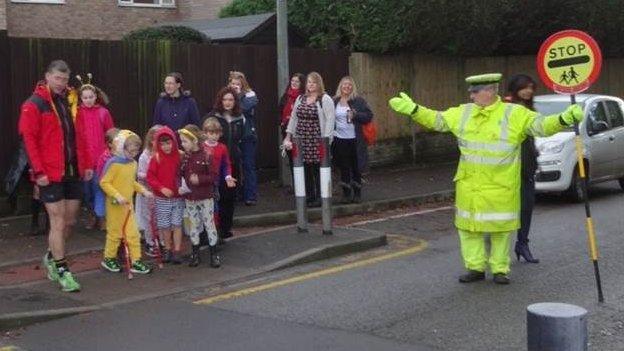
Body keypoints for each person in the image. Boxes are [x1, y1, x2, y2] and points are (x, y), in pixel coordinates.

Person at [389, 73, 583, 284]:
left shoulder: (514, 113)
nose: (471, 96)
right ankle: (475, 268)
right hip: (470, 187)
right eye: (471, 92)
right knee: (469, 229)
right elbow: (438, 120)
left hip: (500, 187)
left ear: (490, 91)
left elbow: (541, 126)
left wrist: (564, 118)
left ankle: (500, 269)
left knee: (500, 231)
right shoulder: (463, 113)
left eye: (475, 92)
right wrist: (414, 110)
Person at [18, 60, 93, 292]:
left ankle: (51, 256)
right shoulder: (34, 104)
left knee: (69, 221)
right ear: (47, 77)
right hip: (49, 173)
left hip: (73, 170)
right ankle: (62, 270)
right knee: (57, 221)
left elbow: (80, 135)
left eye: (64, 79)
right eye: (57, 78)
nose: (61, 83)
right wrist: (38, 172)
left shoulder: (72, 101)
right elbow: (28, 140)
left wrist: (87, 163)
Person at [99, 130, 153, 274]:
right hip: (115, 205)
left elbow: (132, 182)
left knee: (133, 234)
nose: (133, 154)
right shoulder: (113, 164)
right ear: (121, 148)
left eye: (136, 151)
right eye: (130, 151)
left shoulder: (133, 163)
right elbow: (104, 183)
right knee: (114, 233)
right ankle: (108, 258)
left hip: (128, 205)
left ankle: (136, 260)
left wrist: (143, 190)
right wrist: (117, 195)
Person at [282, 72, 335, 207]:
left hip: (317, 139)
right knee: (304, 168)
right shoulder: (301, 98)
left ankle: (320, 196)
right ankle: (310, 195)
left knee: (318, 169)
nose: (311, 85)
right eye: (309, 82)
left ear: (319, 84)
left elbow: (330, 120)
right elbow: (294, 118)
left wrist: (326, 140)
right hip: (301, 139)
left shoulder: (325, 99)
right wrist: (288, 136)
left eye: (314, 82)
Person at [505, 74, 540, 264]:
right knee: (503, 212)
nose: (528, 91)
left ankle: (522, 244)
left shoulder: (529, 109)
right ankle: (493, 252)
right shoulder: (506, 108)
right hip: (508, 169)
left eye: (531, 87)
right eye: (524, 87)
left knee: (526, 208)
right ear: (515, 88)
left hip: (527, 168)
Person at [74, 74, 115, 230]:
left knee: (100, 188)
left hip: (102, 159)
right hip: (85, 161)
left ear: (96, 96)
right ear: (81, 98)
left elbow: (111, 134)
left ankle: (101, 216)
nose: (88, 100)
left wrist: (109, 154)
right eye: (85, 97)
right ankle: (92, 213)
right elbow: (78, 139)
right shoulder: (77, 114)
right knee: (87, 191)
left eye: (91, 97)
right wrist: (84, 164)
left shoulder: (103, 113)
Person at [178, 124, 221, 268]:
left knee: (209, 224)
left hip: (205, 196)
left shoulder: (207, 155)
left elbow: (214, 176)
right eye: (182, 141)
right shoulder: (185, 157)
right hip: (190, 197)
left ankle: (214, 253)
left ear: (194, 140)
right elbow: (181, 174)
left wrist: (200, 179)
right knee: (193, 225)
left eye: (185, 141)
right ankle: (195, 253)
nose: (182, 144)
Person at [204, 87, 244, 241]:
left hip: (232, 162)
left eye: (231, 100)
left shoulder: (240, 118)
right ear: (221, 101)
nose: (228, 103)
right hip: (215, 165)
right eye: (225, 99)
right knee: (215, 198)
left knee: (229, 197)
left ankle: (226, 229)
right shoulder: (212, 117)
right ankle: (214, 229)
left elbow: (242, 139)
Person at [332, 76, 373, 203]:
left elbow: (369, 116)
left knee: (356, 167)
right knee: (343, 166)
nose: (347, 87)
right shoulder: (335, 101)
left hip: (355, 139)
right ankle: (346, 193)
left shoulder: (358, 101)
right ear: (340, 86)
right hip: (339, 138)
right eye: (345, 84)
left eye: (349, 85)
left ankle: (357, 193)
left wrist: (356, 114)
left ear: (352, 87)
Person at [147, 127, 184, 264]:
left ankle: (177, 250)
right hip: (162, 198)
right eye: (162, 144)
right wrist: (161, 188)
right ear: (157, 145)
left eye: (168, 143)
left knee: (177, 224)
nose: (166, 147)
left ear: (173, 142)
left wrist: (183, 187)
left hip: (177, 197)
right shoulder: (155, 158)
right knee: (165, 225)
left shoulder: (180, 155)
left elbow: (185, 172)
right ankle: (168, 249)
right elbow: (150, 177)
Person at [202, 117, 237, 244]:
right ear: (205, 133)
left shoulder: (222, 148)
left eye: (216, 133)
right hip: (203, 184)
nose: (213, 136)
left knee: (215, 208)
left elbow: (226, 164)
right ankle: (203, 234)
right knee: (204, 209)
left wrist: (227, 176)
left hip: (215, 184)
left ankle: (214, 234)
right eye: (211, 133)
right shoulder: (201, 147)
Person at [228, 71, 259, 206]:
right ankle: (236, 194)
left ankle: (250, 195)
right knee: (233, 166)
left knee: (248, 165)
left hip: (247, 136)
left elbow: (244, 108)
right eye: (233, 83)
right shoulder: (227, 95)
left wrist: (237, 95)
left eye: (238, 84)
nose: (235, 86)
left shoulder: (250, 94)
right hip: (232, 136)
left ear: (242, 84)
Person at [136, 125, 161, 257]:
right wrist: (150, 176)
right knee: (148, 217)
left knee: (158, 216)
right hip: (147, 191)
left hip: (159, 191)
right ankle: (150, 243)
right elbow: (140, 174)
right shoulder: (144, 156)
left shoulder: (162, 154)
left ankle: (159, 240)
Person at [278, 73, 306, 180]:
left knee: (302, 158)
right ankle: (296, 186)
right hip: (287, 131)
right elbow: (279, 111)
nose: (294, 83)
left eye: (297, 81)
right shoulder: (285, 96)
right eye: (292, 81)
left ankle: (305, 186)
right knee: (291, 158)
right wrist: (281, 122)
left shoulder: (304, 97)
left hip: (300, 131)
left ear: (301, 84)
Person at [94, 127, 120, 231]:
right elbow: (100, 172)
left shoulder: (123, 156)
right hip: (106, 186)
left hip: (118, 185)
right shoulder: (104, 157)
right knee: (105, 206)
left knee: (117, 206)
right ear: (109, 144)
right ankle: (105, 223)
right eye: (117, 142)